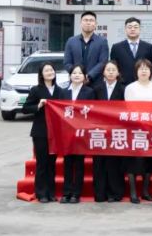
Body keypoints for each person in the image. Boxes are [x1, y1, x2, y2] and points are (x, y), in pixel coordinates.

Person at [23, 61, 68, 203]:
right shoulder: (36, 90)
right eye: (47, 70)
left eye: (52, 70)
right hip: (41, 132)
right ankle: (41, 193)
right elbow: (25, 108)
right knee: (42, 163)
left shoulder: (60, 91)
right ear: (41, 74)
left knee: (52, 163)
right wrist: (38, 105)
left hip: (55, 133)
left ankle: (50, 192)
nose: (50, 72)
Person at [123, 59, 152, 204]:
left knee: (149, 160)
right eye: (141, 68)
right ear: (136, 71)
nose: (144, 71)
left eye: (146, 68)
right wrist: (140, 121)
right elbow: (129, 108)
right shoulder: (130, 87)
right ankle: (133, 192)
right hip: (135, 128)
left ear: (151, 71)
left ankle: (145, 192)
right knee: (133, 161)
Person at [92, 60, 126, 202]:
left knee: (114, 163)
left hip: (116, 131)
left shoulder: (123, 89)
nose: (111, 72)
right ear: (103, 72)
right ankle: (100, 193)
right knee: (99, 163)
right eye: (108, 70)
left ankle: (115, 193)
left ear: (118, 72)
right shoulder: (96, 88)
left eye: (113, 70)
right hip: (99, 130)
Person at [61, 64, 94, 204]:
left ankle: (76, 193)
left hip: (82, 133)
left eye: (80, 73)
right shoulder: (63, 92)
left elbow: (92, 111)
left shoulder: (90, 92)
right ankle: (66, 192)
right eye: (74, 73)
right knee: (67, 163)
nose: (77, 75)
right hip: (67, 133)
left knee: (79, 164)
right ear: (70, 76)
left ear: (84, 76)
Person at [63, 11, 109, 86]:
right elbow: (67, 62)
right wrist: (78, 75)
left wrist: (89, 76)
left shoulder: (102, 41)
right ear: (80, 23)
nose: (88, 23)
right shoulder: (71, 41)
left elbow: (103, 62)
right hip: (75, 83)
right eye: (85, 20)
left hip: (95, 83)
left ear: (95, 24)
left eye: (91, 20)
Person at [111, 17, 152, 85]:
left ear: (140, 30)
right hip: (122, 84)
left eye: (135, 27)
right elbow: (114, 66)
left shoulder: (148, 47)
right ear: (125, 30)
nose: (132, 29)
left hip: (142, 83)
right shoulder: (116, 47)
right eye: (129, 27)